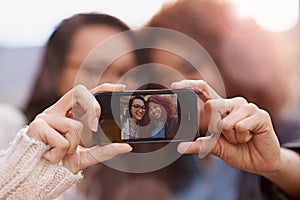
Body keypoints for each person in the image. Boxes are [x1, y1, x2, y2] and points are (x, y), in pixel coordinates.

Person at [142, 0, 300, 199]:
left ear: (225, 64)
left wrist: (276, 164)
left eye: (191, 67)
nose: (178, 87)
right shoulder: (161, 159)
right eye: (163, 80)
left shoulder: (286, 133)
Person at [0, 84, 132, 199]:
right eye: (92, 69)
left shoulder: (105, 179)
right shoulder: (7, 125)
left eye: (124, 72)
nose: (110, 79)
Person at [24, 13, 137, 122]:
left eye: (126, 73)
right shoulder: (12, 129)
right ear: (55, 69)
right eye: (96, 70)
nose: (116, 85)